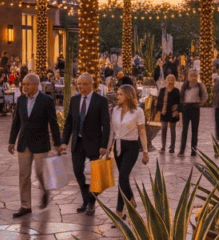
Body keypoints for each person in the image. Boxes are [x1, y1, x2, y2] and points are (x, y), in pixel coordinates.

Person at [9, 73, 63, 218]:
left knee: (40, 173)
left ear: (35, 85)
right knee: (24, 175)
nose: (24, 86)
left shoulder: (47, 100)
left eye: (26, 84)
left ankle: (45, 191)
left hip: (40, 143)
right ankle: (25, 205)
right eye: (23, 84)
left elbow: (53, 123)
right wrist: (11, 141)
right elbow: (16, 122)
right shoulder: (20, 100)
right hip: (24, 142)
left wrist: (58, 143)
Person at [61, 73, 111, 215]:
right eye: (79, 84)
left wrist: (104, 145)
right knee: (78, 171)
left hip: (94, 143)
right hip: (78, 142)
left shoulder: (100, 101)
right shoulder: (74, 100)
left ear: (90, 84)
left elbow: (106, 125)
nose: (81, 87)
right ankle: (86, 199)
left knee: (96, 174)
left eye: (84, 84)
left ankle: (91, 202)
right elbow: (69, 122)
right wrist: (64, 141)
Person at [108, 84, 150, 220]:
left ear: (128, 96)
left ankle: (119, 211)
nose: (117, 96)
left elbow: (142, 132)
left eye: (120, 94)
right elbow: (112, 131)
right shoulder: (114, 110)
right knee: (122, 178)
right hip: (118, 147)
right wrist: (108, 148)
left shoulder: (138, 111)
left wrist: (145, 151)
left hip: (131, 147)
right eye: (118, 94)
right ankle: (130, 199)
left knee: (122, 177)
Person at [178, 69, 208, 156]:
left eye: (195, 76)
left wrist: (200, 103)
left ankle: (193, 150)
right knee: (185, 130)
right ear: (188, 77)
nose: (193, 78)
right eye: (191, 76)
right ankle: (182, 150)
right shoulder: (185, 85)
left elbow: (205, 96)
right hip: (186, 108)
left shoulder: (200, 86)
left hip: (195, 108)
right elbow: (181, 96)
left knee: (195, 130)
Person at [155, 75, 181, 153]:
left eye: (172, 80)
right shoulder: (163, 90)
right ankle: (163, 147)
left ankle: (172, 147)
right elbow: (159, 101)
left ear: (174, 81)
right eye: (169, 79)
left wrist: (177, 111)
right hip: (164, 112)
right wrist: (158, 111)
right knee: (163, 129)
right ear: (166, 81)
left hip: (173, 113)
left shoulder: (176, 91)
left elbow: (179, 102)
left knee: (173, 130)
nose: (170, 81)